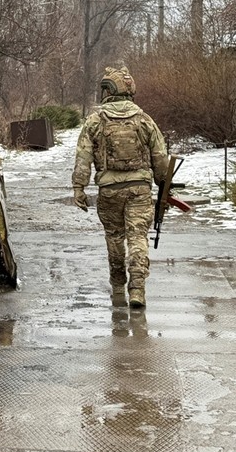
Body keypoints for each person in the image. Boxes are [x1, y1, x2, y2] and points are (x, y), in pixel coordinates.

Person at [72, 66, 168, 308]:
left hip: (109, 190)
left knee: (114, 237)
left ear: (107, 90)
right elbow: (160, 156)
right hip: (139, 189)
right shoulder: (144, 119)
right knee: (138, 237)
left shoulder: (95, 120)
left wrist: (79, 187)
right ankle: (137, 288)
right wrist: (163, 183)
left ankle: (117, 282)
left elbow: (83, 156)